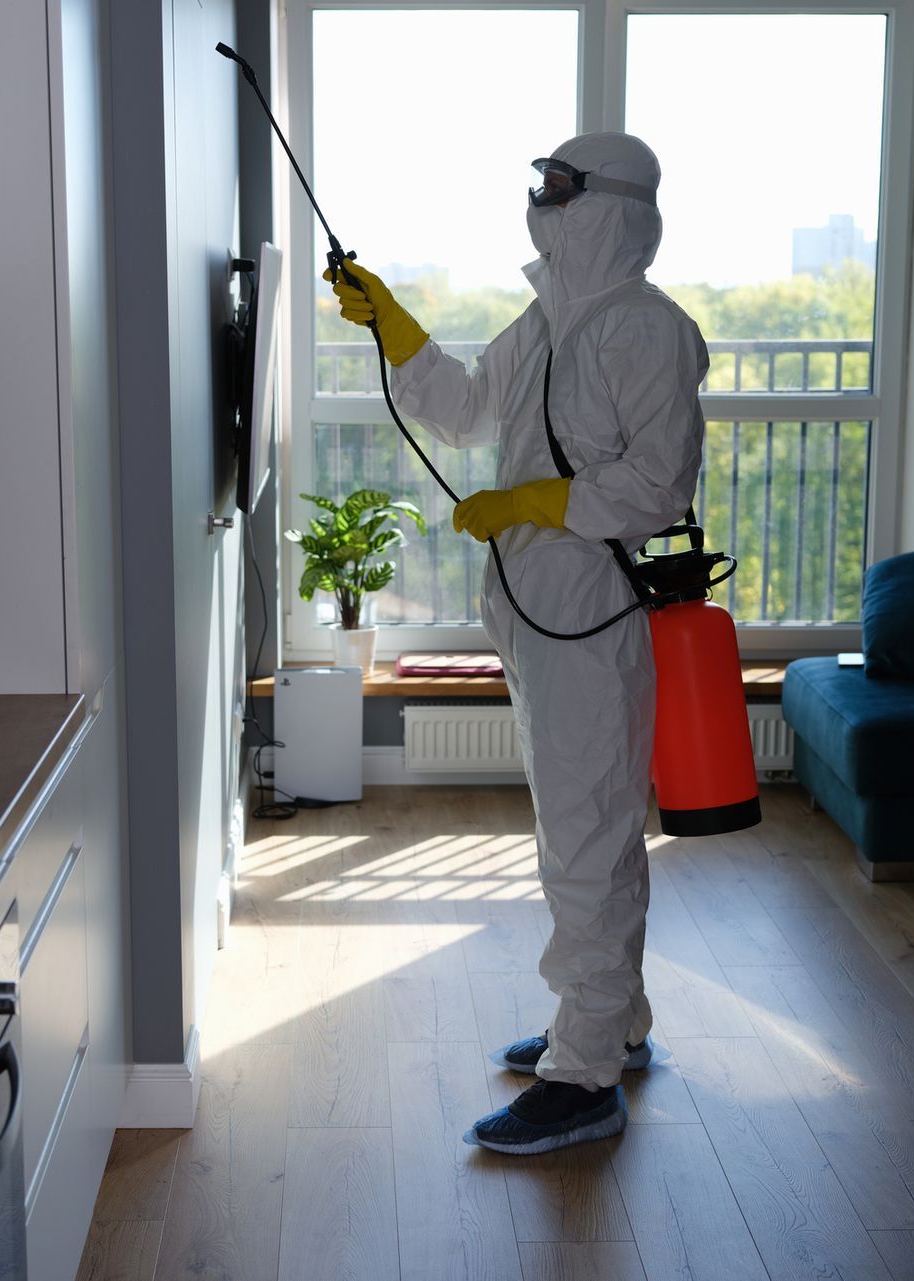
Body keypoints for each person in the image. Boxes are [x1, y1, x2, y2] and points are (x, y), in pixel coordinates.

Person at [323, 132, 708, 1154]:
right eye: (541, 185)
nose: (544, 201)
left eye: (563, 189)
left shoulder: (647, 331)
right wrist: (393, 321)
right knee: (582, 836)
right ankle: (610, 1025)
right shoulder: (546, 323)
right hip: (538, 616)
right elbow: (460, 412)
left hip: (592, 614)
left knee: (587, 842)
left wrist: (529, 500)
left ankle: (581, 1080)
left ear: (612, 207)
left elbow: (658, 485)